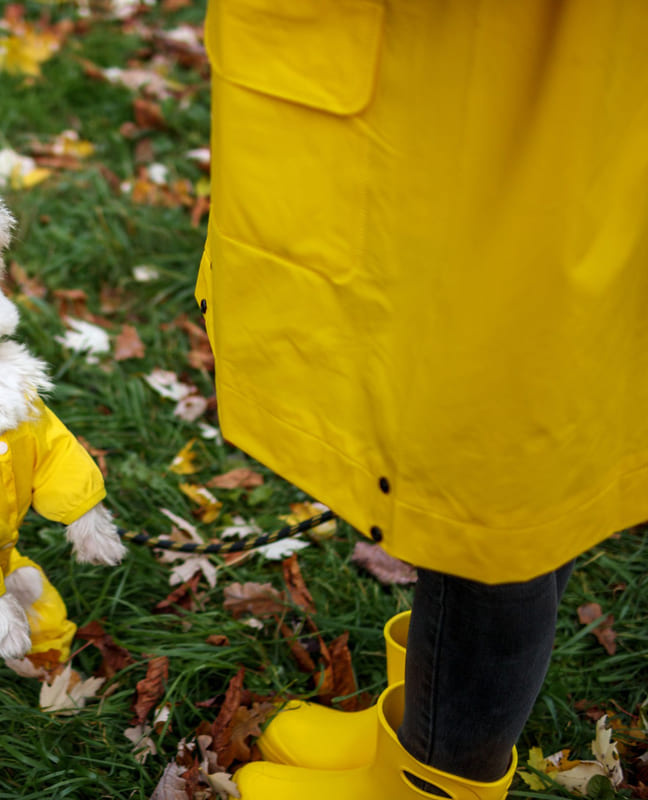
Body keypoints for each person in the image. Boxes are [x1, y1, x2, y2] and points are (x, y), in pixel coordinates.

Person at [195, 1, 648, 797]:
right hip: (461, 97)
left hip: (509, 91)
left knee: (484, 468)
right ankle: (419, 734)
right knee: (507, 442)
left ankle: (432, 778)